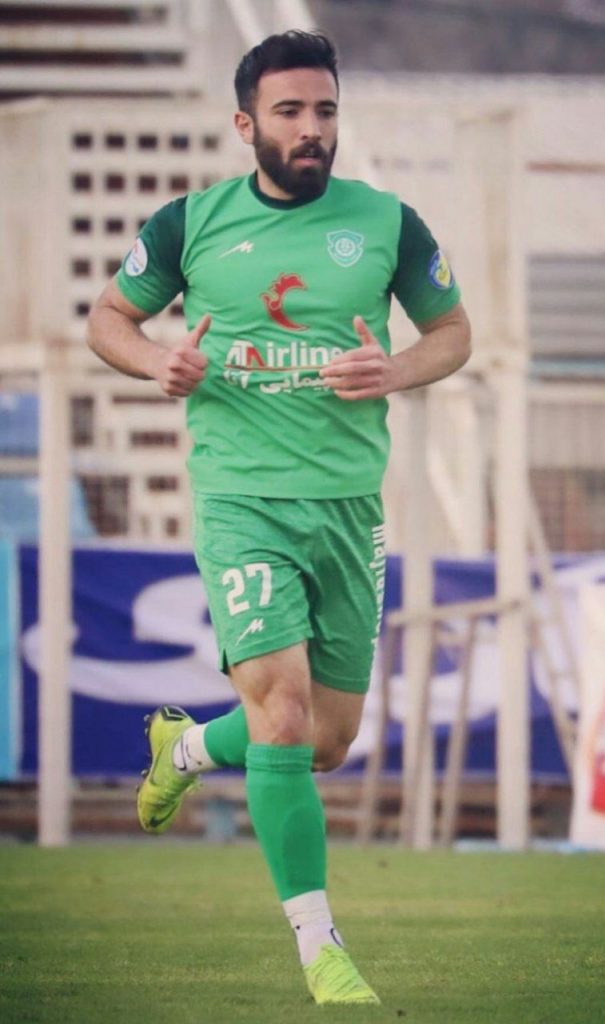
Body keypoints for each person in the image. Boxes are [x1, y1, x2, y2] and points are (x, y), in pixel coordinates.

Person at [88, 29, 471, 1006]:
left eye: (325, 111)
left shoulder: (386, 223)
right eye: (291, 111)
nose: (311, 129)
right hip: (242, 499)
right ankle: (321, 949)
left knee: (325, 741)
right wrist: (158, 360)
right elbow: (108, 320)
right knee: (285, 713)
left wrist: (395, 368)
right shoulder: (190, 224)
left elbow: (452, 333)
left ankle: (185, 748)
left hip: (347, 508)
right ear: (245, 123)